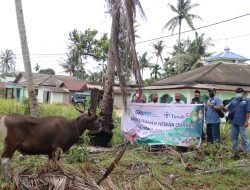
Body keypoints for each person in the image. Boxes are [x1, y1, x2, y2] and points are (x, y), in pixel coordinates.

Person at [223, 87, 250, 154]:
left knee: (244, 137)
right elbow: (227, 109)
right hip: (234, 122)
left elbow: (248, 112)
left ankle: (246, 151)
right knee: (234, 137)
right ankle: (235, 150)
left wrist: (246, 121)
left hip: (242, 122)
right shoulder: (233, 100)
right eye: (237, 92)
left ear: (242, 93)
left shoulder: (246, 100)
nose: (238, 94)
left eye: (239, 92)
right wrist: (222, 106)